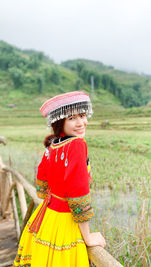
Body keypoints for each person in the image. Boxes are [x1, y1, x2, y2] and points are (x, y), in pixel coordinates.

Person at [13, 91, 106, 267]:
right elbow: (78, 195)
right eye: (71, 118)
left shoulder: (52, 145)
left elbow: (41, 187)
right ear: (59, 121)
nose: (80, 123)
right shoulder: (77, 144)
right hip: (65, 222)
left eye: (82, 115)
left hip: (47, 217)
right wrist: (88, 237)